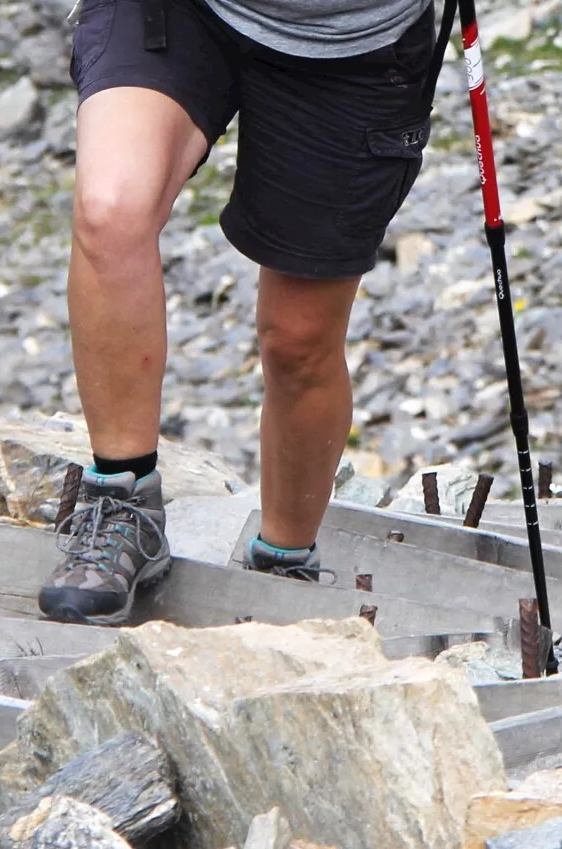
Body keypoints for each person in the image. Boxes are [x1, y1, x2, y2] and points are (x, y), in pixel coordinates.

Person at [38, 0, 441, 626]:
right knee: (109, 210)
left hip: (352, 43)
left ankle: (284, 563)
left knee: (298, 340)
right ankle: (122, 505)